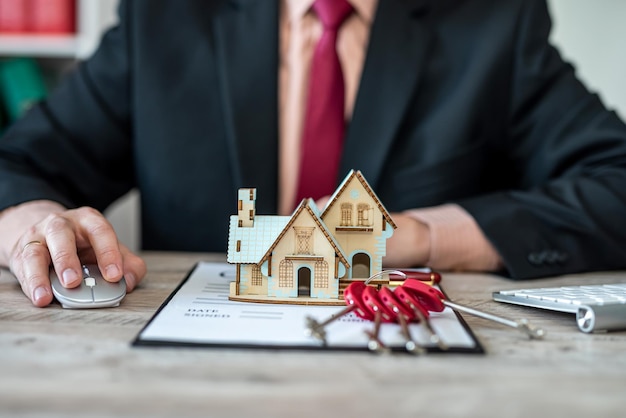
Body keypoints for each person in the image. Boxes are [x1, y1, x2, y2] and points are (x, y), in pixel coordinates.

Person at [2, 0, 626, 307]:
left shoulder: (495, 22)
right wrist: (33, 225)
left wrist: (426, 236)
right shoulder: (162, 17)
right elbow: (17, 164)